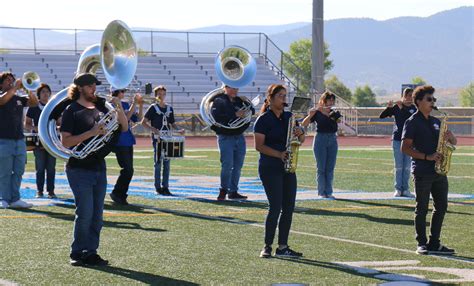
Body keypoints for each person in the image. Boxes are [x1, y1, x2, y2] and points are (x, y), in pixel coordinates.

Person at [60, 73, 128, 266]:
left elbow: (123, 127)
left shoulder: (100, 107)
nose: (94, 89)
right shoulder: (71, 110)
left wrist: (118, 107)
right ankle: (77, 252)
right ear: (80, 88)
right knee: (85, 212)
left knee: (97, 214)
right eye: (90, 86)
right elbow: (66, 141)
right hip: (78, 167)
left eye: (95, 86)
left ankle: (91, 251)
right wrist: (91, 132)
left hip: (99, 166)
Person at [401, 85, 457, 255]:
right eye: (429, 99)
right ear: (418, 102)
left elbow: (453, 142)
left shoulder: (436, 121)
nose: (433, 102)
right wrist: (427, 157)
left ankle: (435, 242)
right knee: (422, 208)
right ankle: (421, 243)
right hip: (422, 170)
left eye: (434, 99)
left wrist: (450, 137)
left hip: (439, 171)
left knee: (441, 206)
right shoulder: (412, 122)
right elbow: (405, 148)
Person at [254, 84, 305, 258]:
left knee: (289, 208)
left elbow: (302, 138)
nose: (284, 99)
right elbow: (258, 146)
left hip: (288, 167)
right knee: (275, 207)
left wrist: (300, 132)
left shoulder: (290, 117)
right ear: (271, 98)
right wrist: (278, 154)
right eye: (281, 96)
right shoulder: (263, 120)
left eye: (285, 96)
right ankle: (267, 246)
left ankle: (282, 247)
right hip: (270, 167)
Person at [0, 72, 39, 209]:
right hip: (4, 140)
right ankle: (4, 198)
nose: (11, 82)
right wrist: (15, 88)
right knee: (4, 172)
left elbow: (34, 102)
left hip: (19, 140)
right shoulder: (2, 97)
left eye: (12, 80)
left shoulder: (19, 98)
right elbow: (2, 101)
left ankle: (15, 198)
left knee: (18, 171)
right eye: (7, 80)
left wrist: (28, 89)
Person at [210, 84, 254, 201]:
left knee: (238, 166)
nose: (235, 90)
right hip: (225, 136)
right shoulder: (219, 100)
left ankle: (233, 191)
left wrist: (248, 103)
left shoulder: (240, 101)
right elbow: (216, 118)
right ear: (225, 87)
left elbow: (251, 112)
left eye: (236, 88)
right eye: (232, 88)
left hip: (239, 136)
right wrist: (234, 114)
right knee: (227, 165)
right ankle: (223, 190)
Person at [141, 85, 184, 196]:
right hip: (158, 139)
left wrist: (179, 130)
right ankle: (158, 187)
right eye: (159, 94)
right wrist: (152, 129)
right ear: (156, 95)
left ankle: (166, 187)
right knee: (158, 163)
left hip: (168, 138)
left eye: (163, 94)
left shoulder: (169, 108)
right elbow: (143, 122)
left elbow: (173, 123)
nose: (161, 96)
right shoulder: (152, 108)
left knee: (167, 164)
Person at [301, 91, 340, 199]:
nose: (331, 102)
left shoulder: (335, 112)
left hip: (332, 139)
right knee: (321, 168)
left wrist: (326, 111)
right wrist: (310, 115)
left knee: (330, 167)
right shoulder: (317, 113)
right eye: (329, 100)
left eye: (333, 100)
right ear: (324, 100)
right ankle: (321, 192)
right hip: (320, 139)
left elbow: (337, 119)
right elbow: (304, 123)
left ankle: (329, 191)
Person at [380, 88, 417, 198]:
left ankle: (405, 189)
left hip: (409, 140)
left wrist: (402, 108)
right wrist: (389, 108)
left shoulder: (414, 109)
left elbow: (409, 119)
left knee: (407, 166)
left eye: (411, 95)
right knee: (399, 166)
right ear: (403, 96)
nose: (409, 98)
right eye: (407, 95)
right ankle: (398, 189)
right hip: (397, 139)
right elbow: (382, 116)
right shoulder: (397, 107)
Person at [109, 87, 143, 205]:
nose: (124, 94)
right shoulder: (110, 105)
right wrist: (134, 103)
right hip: (119, 140)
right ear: (116, 92)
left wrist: (140, 105)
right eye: (122, 91)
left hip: (127, 139)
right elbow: (125, 119)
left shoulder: (125, 104)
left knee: (129, 170)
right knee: (128, 170)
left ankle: (120, 194)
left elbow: (138, 119)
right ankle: (117, 193)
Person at [25, 83, 57, 199]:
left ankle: (51, 191)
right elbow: (27, 124)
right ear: (39, 94)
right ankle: (39, 191)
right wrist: (37, 129)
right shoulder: (33, 107)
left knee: (51, 168)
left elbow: (59, 122)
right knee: (40, 168)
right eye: (43, 92)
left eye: (47, 91)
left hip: (51, 140)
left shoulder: (53, 106)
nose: (45, 94)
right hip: (38, 140)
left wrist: (54, 128)